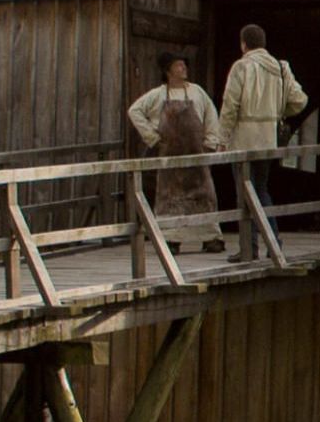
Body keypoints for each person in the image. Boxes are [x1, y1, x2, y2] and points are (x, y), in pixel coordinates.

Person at [127, 52, 224, 252]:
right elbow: (134, 111)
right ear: (167, 71)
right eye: (178, 65)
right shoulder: (158, 95)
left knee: (204, 196)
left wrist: (211, 141)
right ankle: (171, 239)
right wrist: (152, 137)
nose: (183, 68)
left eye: (183, 65)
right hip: (169, 158)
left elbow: (211, 115)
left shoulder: (197, 92)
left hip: (196, 155)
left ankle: (211, 238)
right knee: (169, 200)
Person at [219, 23, 307, 208]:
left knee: (244, 192)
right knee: (261, 189)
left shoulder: (241, 67)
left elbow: (230, 105)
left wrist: (222, 138)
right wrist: (278, 112)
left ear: (244, 44)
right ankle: (272, 237)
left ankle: (250, 238)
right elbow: (299, 100)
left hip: (244, 139)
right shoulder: (280, 68)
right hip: (268, 137)